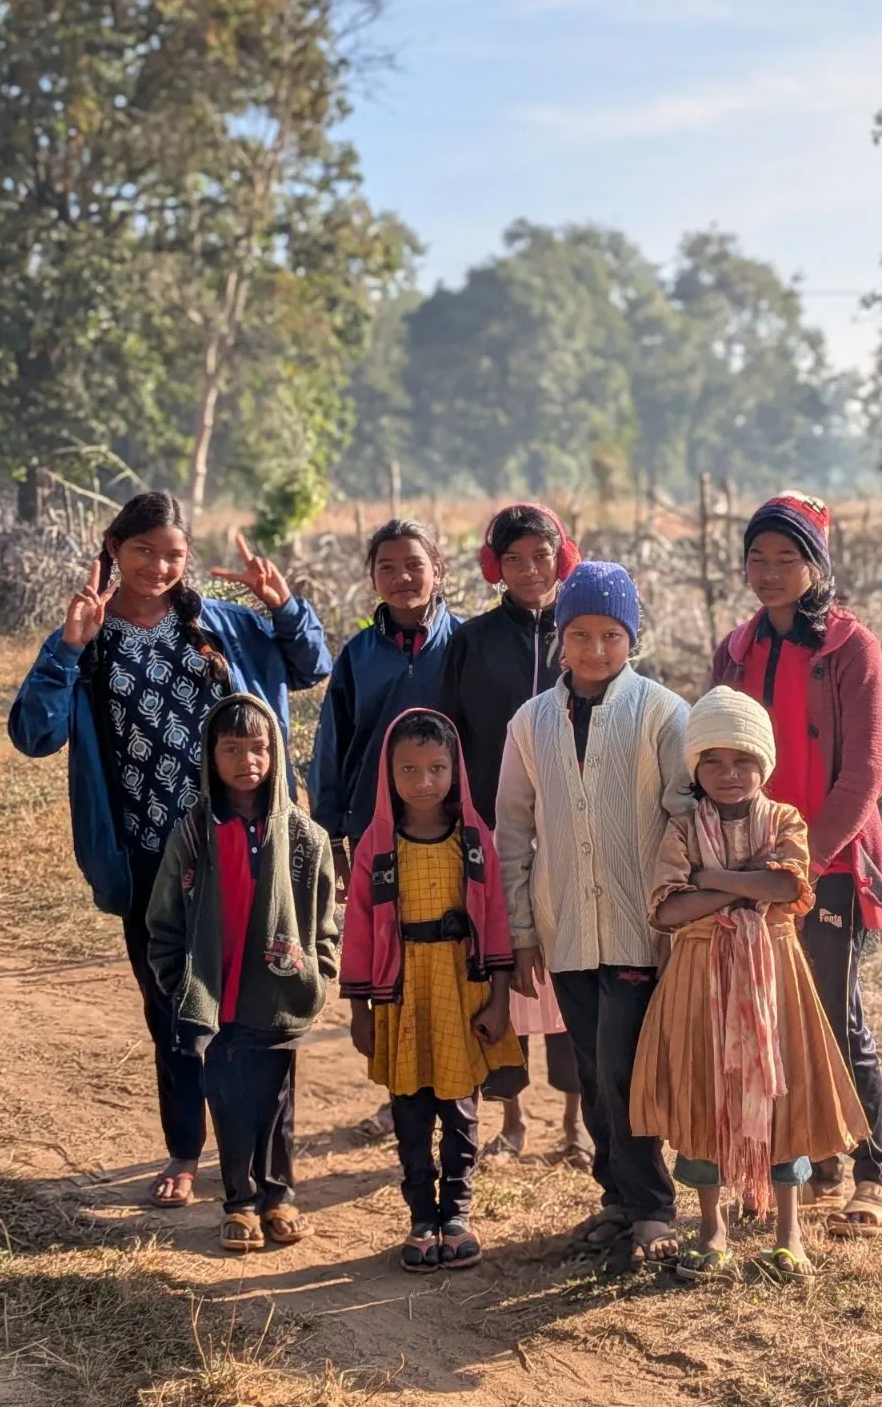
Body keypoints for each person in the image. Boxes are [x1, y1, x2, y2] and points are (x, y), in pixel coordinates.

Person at [8, 492, 331, 1208]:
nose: (158, 566)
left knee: (261, 1006)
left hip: (245, 843)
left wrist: (283, 607)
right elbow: (33, 734)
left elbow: (312, 666)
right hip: (153, 858)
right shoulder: (88, 634)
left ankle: (264, 1166)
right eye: (143, 551)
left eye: (174, 555)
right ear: (113, 550)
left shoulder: (220, 624)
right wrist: (66, 648)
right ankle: (186, 1152)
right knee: (175, 1010)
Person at [709, 491, 882, 1238]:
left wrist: (807, 858)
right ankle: (813, 1164)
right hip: (754, 861)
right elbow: (715, 748)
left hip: (830, 864)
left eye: (786, 558)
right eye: (757, 558)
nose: (769, 572)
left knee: (833, 1014)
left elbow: (868, 770)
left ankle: (877, 1172)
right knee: (773, 1016)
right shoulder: (735, 649)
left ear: (816, 564)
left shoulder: (852, 648)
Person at [631, 687, 869, 1284]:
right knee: (703, 1093)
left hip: (774, 981)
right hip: (698, 979)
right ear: (695, 767)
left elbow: (790, 889)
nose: (728, 774)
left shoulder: (785, 819)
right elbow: (666, 910)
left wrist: (710, 881)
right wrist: (746, 885)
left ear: (765, 763)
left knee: (777, 1091)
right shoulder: (681, 826)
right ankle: (711, 1231)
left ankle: (789, 1236)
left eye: (742, 761)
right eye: (711, 760)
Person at [495, 560, 690, 1265]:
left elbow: (684, 816)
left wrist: (682, 912)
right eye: (580, 634)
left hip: (643, 929)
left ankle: (652, 1208)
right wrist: (520, 932)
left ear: (631, 637)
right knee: (588, 1064)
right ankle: (616, 1198)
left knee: (620, 1066)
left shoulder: (664, 713)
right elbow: (512, 829)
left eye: (611, 634)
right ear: (560, 635)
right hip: (564, 927)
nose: (595, 650)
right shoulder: (532, 721)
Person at [147, 693, 337, 1252]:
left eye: (258, 749)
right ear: (211, 756)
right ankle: (240, 1202)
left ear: (275, 753)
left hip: (278, 996)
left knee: (276, 1103)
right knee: (229, 1101)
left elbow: (326, 919)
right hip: (217, 998)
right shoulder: (192, 835)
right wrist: (179, 980)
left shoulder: (305, 837)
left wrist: (317, 972)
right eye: (232, 749)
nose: (247, 761)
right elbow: (164, 920)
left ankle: (278, 1196)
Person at [340, 710, 522, 1272]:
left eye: (436, 768)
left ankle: (458, 1215)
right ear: (387, 774)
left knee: (461, 1109)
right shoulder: (377, 845)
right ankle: (422, 1217)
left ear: (456, 769)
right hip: (401, 998)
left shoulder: (473, 841)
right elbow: (361, 929)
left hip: (460, 993)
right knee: (411, 1110)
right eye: (409, 769)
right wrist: (360, 1010)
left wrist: (499, 997)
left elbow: (493, 920)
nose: (423, 782)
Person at [439, 503, 590, 1167]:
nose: (531, 571)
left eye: (542, 556)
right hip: (493, 834)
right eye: (515, 559)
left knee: (572, 968)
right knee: (501, 970)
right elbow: (450, 735)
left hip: (571, 837)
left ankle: (575, 1123)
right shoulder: (471, 642)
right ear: (492, 567)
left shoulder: (586, 636)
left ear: (566, 556)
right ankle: (512, 1119)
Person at [310, 517, 460, 1144]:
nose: (402, 578)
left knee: (451, 959)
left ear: (438, 570)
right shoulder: (358, 655)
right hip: (377, 832)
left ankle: (458, 1089)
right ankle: (399, 1091)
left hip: (450, 833)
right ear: (372, 577)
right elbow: (333, 744)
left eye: (414, 565)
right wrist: (335, 831)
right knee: (389, 956)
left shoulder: (464, 645)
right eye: (387, 567)